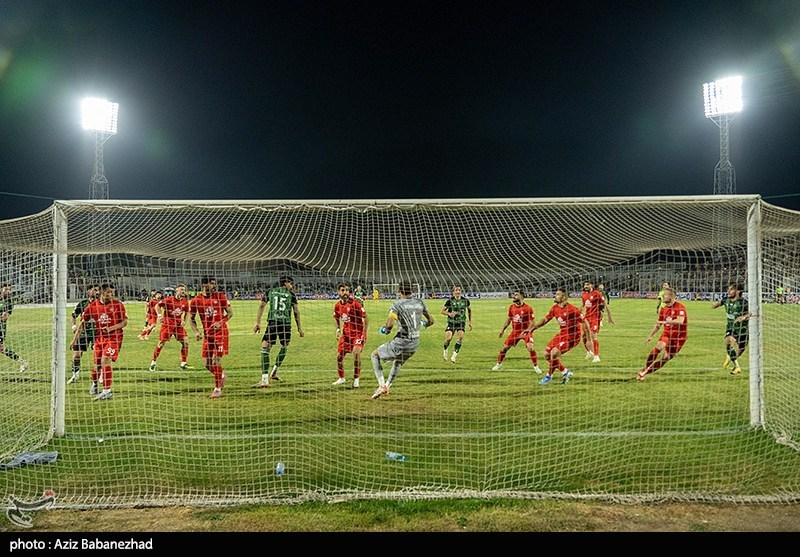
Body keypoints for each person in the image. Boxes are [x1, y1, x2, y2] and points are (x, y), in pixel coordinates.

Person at [371, 280, 434, 399]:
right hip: (414, 343)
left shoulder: (397, 304)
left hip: (402, 341)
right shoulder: (420, 302)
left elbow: (390, 324)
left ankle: (381, 386)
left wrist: (386, 330)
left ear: (399, 290)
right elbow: (431, 321)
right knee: (398, 361)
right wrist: (424, 324)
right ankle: (387, 386)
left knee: (374, 355)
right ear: (412, 289)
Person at [71, 283, 127, 400]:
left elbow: (124, 322)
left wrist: (110, 328)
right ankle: (95, 383)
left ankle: (107, 390)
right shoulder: (92, 307)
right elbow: (82, 324)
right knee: (97, 365)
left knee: (105, 360)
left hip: (114, 338)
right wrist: (74, 340)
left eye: (112, 293)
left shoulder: (118, 305)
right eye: (108, 292)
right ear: (101, 292)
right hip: (99, 338)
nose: (111, 295)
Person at [252, 275, 304, 388]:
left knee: (265, 347)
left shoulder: (270, 291)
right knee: (285, 346)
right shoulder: (291, 294)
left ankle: (265, 379)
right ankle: (274, 372)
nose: (292, 286)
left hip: (273, 322)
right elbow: (296, 311)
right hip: (286, 324)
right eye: (290, 283)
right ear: (285, 283)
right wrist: (299, 328)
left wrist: (257, 322)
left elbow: (261, 306)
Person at [528, 288, 584, 385]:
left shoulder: (572, 309)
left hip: (572, 337)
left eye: (558, 294)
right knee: (546, 354)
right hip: (562, 334)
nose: (555, 296)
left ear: (564, 297)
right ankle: (564, 371)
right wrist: (534, 328)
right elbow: (545, 320)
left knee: (553, 353)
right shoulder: (555, 308)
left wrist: (588, 337)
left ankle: (548, 376)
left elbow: (584, 321)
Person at [189, 277, 232, 399]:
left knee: (216, 361)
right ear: (204, 284)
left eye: (214, 284)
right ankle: (221, 375)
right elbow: (191, 318)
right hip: (208, 335)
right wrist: (196, 331)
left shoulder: (220, 296)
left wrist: (221, 322)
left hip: (220, 333)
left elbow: (230, 313)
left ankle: (217, 389)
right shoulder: (196, 300)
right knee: (207, 364)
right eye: (212, 284)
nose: (214, 286)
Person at [637, 286, 687, 381]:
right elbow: (658, 324)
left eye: (665, 295)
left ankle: (646, 372)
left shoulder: (680, 307)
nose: (662, 296)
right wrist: (650, 336)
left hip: (679, 338)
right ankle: (645, 368)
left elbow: (680, 321)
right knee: (658, 348)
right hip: (667, 334)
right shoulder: (663, 309)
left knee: (665, 358)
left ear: (671, 297)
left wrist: (665, 322)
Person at [491, 290, 541, 374]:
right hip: (515, 332)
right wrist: (503, 330)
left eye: (516, 295)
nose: (514, 296)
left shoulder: (528, 308)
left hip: (526, 332)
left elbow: (533, 323)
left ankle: (536, 367)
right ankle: (498, 364)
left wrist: (527, 331)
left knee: (530, 348)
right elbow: (508, 319)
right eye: (514, 295)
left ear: (522, 297)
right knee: (504, 348)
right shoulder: (511, 307)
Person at [150, 283, 194, 372]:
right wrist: (159, 315)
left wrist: (184, 321)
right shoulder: (169, 300)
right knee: (161, 343)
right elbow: (157, 306)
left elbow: (187, 312)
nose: (183, 292)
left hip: (178, 325)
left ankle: (183, 363)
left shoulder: (185, 301)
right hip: (168, 325)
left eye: (184, 290)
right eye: (181, 290)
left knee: (185, 343)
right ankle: (153, 362)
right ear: (177, 290)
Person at [332, 282, 368, 388]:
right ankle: (341, 378)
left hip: (357, 334)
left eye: (347, 290)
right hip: (346, 335)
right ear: (338, 292)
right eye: (343, 290)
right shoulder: (337, 305)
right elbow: (336, 317)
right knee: (339, 357)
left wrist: (364, 333)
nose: (345, 292)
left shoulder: (355, 304)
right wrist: (338, 329)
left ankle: (356, 379)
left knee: (356, 353)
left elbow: (366, 317)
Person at [711, 283, 752, 375]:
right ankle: (737, 367)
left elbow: (751, 313)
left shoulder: (743, 302)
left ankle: (730, 357)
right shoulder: (726, 300)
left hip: (743, 330)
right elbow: (720, 303)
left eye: (731, 289)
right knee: (729, 341)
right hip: (731, 328)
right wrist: (716, 305)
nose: (728, 291)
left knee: (739, 351)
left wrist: (744, 317)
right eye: (728, 289)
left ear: (738, 291)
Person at [67, 283, 100, 384]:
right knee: (76, 355)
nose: (97, 292)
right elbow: (73, 316)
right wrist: (73, 326)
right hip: (83, 332)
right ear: (88, 291)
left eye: (98, 290)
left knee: (99, 353)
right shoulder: (83, 304)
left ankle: (100, 374)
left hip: (97, 333)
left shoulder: (101, 303)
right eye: (95, 290)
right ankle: (75, 375)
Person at [581, 280, 613, 363]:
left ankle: (596, 356)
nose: (585, 286)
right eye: (585, 285)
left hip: (595, 318)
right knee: (583, 335)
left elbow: (605, 304)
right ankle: (589, 352)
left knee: (593, 336)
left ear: (591, 285)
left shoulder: (597, 294)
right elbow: (583, 305)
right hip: (586, 318)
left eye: (587, 285)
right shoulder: (583, 294)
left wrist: (609, 316)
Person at [0, 283, 28, 373]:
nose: (8, 291)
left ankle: (22, 362)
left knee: (1, 348)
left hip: (0, 329)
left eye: (10, 290)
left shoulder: (9, 304)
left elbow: (3, 318)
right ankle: (23, 362)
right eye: (6, 289)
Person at [441, 285, 472, 364]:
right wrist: (449, 313)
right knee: (448, 339)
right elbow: (442, 311)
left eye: (459, 290)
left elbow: (469, 310)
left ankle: (454, 356)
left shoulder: (465, 301)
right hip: (451, 322)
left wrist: (470, 321)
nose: (458, 292)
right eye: (456, 290)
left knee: (460, 337)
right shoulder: (449, 301)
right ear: (453, 292)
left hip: (461, 321)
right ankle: (445, 350)